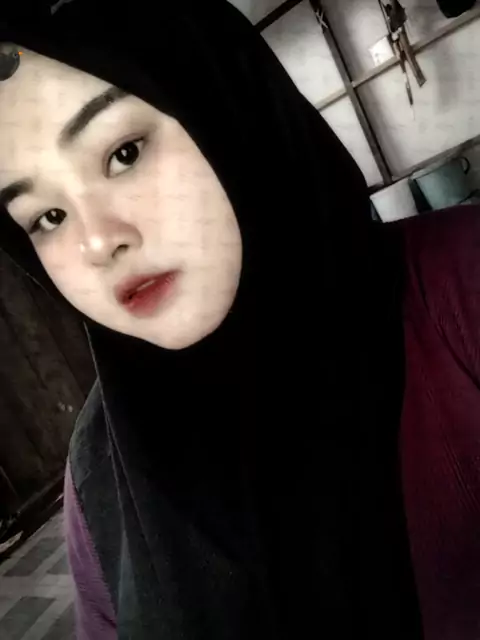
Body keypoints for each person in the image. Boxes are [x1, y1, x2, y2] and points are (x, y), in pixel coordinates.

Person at [0, 1, 477, 639]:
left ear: (228, 110)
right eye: (48, 217)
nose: (96, 242)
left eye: (124, 153)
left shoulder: (462, 289)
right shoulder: (99, 471)